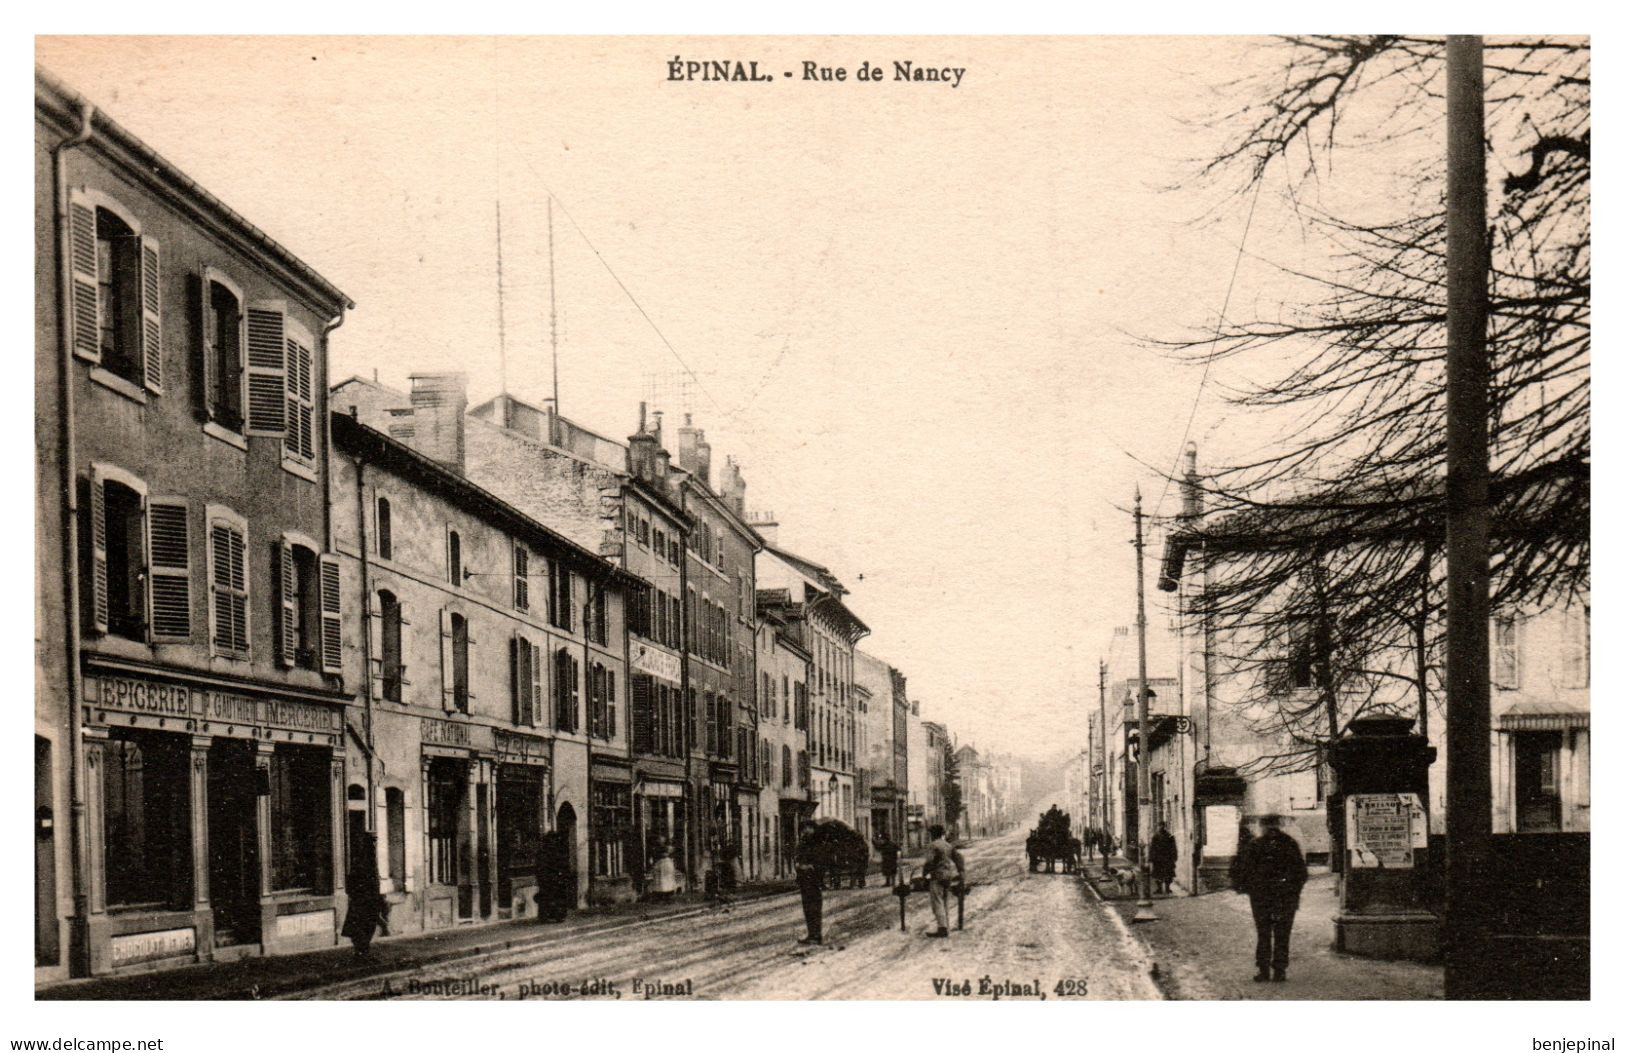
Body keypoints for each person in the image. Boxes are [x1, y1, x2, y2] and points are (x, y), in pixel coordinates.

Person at [1231, 815, 1308, 982]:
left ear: (1263, 826)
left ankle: (1264, 970)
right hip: (1285, 899)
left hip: (1262, 899)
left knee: (1263, 933)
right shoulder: (1290, 844)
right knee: (1282, 934)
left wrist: (1250, 889)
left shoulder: (1255, 845)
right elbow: (1301, 873)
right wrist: (1293, 892)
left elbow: (1244, 872)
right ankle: (1279, 971)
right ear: (1279, 825)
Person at [341, 831, 389, 957]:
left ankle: (363, 952)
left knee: (369, 926)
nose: (373, 845)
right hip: (363, 900)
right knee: (362, 926)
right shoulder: (361, 859)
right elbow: (354, 880)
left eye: (374, 842)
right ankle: (361, 953)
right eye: (371, 842)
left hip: (370, 899)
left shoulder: (371, 858)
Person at [923, 824, 965, 938]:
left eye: (930, 833)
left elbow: (929, 862)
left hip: (937, 877)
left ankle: (942, 928)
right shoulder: (947, 845)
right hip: (948, 876)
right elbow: (958, 858)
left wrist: (924, 875)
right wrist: (961, 872)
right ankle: (945, 926)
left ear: (933, 834)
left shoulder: (932, 846)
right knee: (944, 901)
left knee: (937, 902)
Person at [794, 822, 824, 945]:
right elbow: (798, 857)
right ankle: (812, 934)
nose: (805, 831)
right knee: (808, 908)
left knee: (814, 908)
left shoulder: (817, 843)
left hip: (813, 879)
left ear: (812, 829)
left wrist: (809, 866)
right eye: (803, 829)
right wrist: (798, 865)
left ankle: (816, 935)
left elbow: (821, 861)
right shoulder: (804, 842)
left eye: (807, 828)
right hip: (804, 879)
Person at [535, 830, 574, 924]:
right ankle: (555, 915)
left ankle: (549, 916)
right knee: (554, 898)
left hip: (549, 879)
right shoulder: (555, 851)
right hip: (552, 879)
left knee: (549, 898)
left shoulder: (544, 851)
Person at [648, 838, 680, 902]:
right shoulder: (666, 860)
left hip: (664, 868)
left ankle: (664, 897)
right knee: (664, 883)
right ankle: (665, 897)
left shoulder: (663, 860)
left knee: (664, 883)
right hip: (665, 868)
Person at [1150, 823, 1178, 894]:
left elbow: (1173, 847)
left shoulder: (1169, 836)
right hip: (1158, 859)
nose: (1161, 827)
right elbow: (1152, 848)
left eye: (1162, 826)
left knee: (1168, 874)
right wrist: (1151, 857)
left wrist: (1174, 856)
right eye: (1159, 826)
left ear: (1165, 827)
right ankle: (1159, 889)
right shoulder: (1155, 836)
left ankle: (1167, 888)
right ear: (1158, 827)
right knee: (1158, 874)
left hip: (1167, 858)